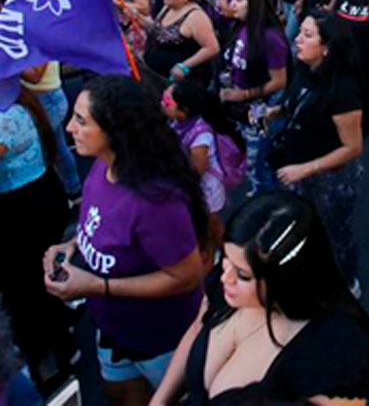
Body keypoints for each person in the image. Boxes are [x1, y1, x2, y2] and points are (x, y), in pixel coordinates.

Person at [44, 76, 207, 405]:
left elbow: (187, 277)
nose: (70, 129)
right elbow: (101, 219)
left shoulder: (156, 200)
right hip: (112, 330)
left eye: (81, 120)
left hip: (162, 342)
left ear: (115, 131)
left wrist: (95, 286)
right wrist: (73, 245)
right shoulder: (103, 167)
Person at [151, 192, 369, 405]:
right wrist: (160, 400)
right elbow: (198, 326)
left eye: (243, 275)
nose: (225, 277)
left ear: (287, 277)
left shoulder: (338, 349)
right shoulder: (227, 285)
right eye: (226, 258)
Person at [263, 11, 366, 294]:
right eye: (300, 33)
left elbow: (353, 147)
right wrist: (278, 111)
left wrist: (306, 169)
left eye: (307, 35)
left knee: (334, 234)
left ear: (327, 46)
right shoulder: (305, 68)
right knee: (305, 227)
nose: (297, 39)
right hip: (301, 167)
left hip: (331, 178)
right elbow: (300, 99)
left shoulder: (344, 90)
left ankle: (345, 286)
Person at [0, 82, 73, 395]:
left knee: (26, 290)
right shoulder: (20, 97)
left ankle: (52, 359)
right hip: (40, 199)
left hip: (21, 213)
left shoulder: (6, 117)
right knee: (35, 283)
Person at [218, 0, 288, 192]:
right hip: (242, 110)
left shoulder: (270, 38)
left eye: (238, 0)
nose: (232, 4)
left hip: (259, 111)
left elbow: (280, 81)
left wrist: (243, 94)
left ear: (254, 3)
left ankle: (268, 201)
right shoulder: (241, 27)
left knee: (259, 165)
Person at [162, 80, 237, 245]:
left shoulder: (201, 137)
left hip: (206, 189)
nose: (162, 103)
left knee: (211, 224)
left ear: (183, 112)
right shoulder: (178, 122)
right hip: (189, 183)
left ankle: (220, 250)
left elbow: (197, 171)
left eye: (167, 101)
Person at [140, 0, 220, 86]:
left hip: (180, 84)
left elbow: (212, 48)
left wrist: (185, 66)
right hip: (155, 76)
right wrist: (137, 17)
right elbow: (157, 29)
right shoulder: (168, 7)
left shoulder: (196, 16)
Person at [21, 61, 82, 204]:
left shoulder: (38, 37)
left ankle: (72, 192)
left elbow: (35, 75)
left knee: (48, 152)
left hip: (46, 98)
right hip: (34, 97)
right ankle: (73, 191)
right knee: (55, 149)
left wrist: (8, 62)